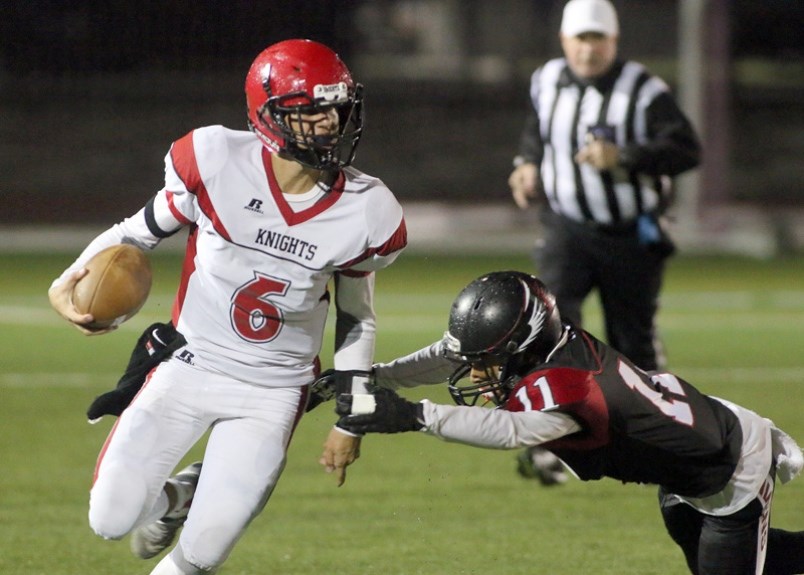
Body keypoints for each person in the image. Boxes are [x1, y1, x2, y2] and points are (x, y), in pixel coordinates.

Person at [48, 39, 407, 575]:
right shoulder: (216, 160)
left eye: (336, 107)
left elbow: (357, 318)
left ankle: (188, 511)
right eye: (310, 110)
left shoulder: (368, 209)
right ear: (268, 117)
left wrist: (351, 420)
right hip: (191, 365)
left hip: (273, 391)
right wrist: (68, 281)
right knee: (109, 518)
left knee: (203, 553)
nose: (329, 122)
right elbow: (135, 234)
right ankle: (175, 499)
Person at [336, 271, 804, 575]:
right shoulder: (553, 346)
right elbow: (448, 354)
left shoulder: (569, 386)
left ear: (524, 348)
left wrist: (416, 415)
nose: (476, 374)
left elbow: (513, 432)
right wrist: (371, 376)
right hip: (683, 461)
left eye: (488, 362)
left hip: (728, 467)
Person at [507, 0, 701, 480]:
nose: (587, 48)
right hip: (565, 229)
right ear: (564, 40)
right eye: (580, 38)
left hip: (629, 237)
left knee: (632, 344)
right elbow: (539, 132)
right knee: (550, 337)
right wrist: (525, 164)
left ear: (613, 42)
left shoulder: (644, 90)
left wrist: (626, 157)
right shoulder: (546, 79)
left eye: (597, 38)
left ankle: (662, 441)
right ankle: (556, 446)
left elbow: (685, 149)